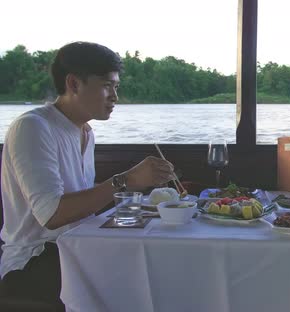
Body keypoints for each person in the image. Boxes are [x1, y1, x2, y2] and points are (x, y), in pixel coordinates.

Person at [0, 42, 175, 309]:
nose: (115, 96)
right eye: (107, 85)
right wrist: (125, 179)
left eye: (116, 87)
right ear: (73, 83)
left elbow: (80, 195)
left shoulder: (85, 132)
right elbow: (53, 214)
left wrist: (144, 197)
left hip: (80, 248)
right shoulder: (33, 127)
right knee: (140, 279)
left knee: (161, 261)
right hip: (35, 260)